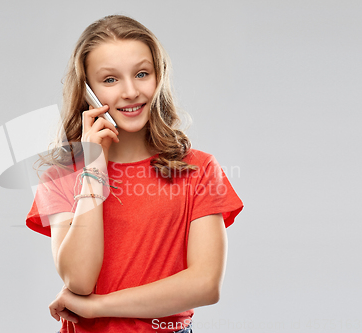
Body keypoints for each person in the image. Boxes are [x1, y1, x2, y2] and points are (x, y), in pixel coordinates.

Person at [26, 15, 243, 333]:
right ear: (87, 89)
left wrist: (97, 307)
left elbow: (205, 285)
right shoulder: (61, 177)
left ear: (159, 78)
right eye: (110, 80)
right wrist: (93, 170)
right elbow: (79, 279)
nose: (130, 91)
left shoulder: (199, 170)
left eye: (142, 74)